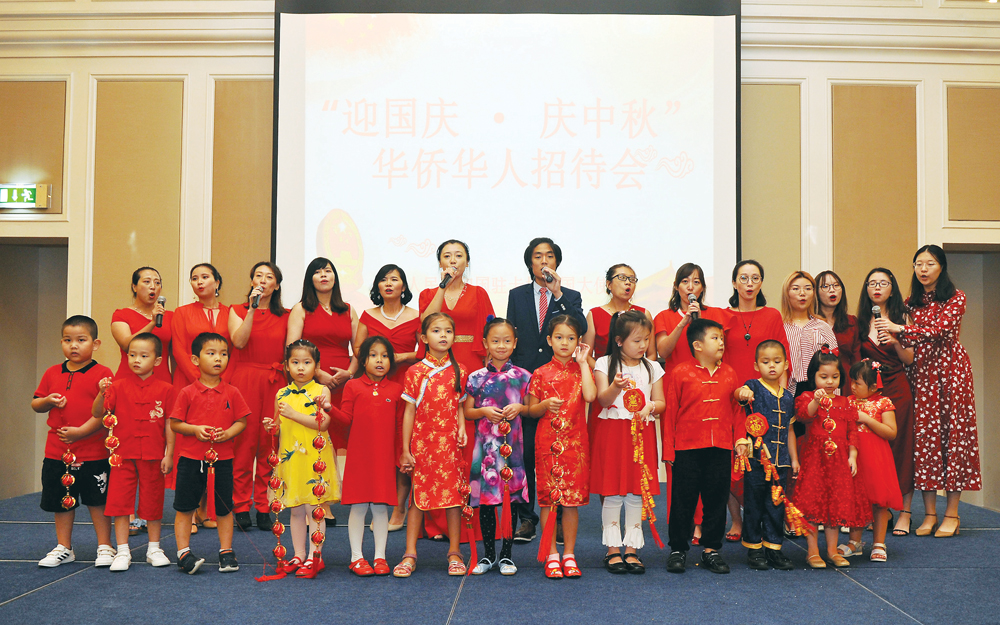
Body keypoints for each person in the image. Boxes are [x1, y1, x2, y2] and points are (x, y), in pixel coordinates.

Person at [876, 245, 981, 538]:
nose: (923, 269)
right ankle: (930, 514)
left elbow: (939, 330)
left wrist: (899, 329)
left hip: (951, 372)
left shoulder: (956, 297)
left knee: (953, 437)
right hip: (920, 372)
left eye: (930, 264)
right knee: (925, 439)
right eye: (918, 264)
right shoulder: (909, 302)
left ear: (941, 267)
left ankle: (952, 513)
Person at [506, 237, 587, 543]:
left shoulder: (571, 295)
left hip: (562, 383)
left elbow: (580, 327)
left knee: (561, 456)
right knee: (525, 452)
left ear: (556, 263)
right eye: (537, 256)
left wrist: (558, 294)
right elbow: (511, 334)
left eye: (549, 256)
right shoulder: (517, 295)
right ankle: (528, 517)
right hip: (528, 383)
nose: (543, 261)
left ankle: (563, 516)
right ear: (530, 263)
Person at [419, 240, 493, 541]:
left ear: (467, 262)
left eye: (458, 256)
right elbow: (426, 322)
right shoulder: (428, 293)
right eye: (447, 256)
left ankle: (469, 520)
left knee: (469, 443)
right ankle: (437, 522)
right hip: (438, 366)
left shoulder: (479, 293)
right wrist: (442, 286)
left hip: (470, 366)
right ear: (439, 263)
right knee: (440, 443)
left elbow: (490, 334)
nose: (453, 260)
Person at [32, 316, 115, 568]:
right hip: (57, 451)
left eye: (81, 340)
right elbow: (36, 404)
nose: (74, 346)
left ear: (95, 343)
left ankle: (105, 546)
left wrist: (79, 432)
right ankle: (64, 547)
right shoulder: (51, 372)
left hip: (93, 452)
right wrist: (48, 401)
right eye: (68, 340)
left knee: (97, 500)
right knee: (61, 501)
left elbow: (103, 414)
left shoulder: (103, 374)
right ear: (61, 343)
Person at [663, 318, 743, 575]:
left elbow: (736, 412)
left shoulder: (730, 373)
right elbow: (671, 413)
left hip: (720, 447)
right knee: (682, 501)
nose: (721, 342)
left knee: (716, 500)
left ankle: (711, 549)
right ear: (697, 345)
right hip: (687, 448)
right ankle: (678, 548)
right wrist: (668, 451)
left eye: (722, 338)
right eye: (715, 338)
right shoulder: (680, 373)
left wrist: (739, 439)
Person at [393, 313, 470, 577]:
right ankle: (410, 553)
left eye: (448, 331)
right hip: (423, 444)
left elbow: (459, 406)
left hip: (449, 443)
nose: (443, 336)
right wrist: (405, 448)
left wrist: (461, 428)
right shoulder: (415, 372)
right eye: (437, 331)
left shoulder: (459, 370)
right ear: (425, 338)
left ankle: (454, 552)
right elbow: (409, 412)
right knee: (418, 498)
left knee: (453, 498)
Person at [92, 334, 176, 571]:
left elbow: (170, 423)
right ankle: (122, 550)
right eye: (132, 355)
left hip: (153, 454)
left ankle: (154, 547)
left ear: (158, 361)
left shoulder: (167, 389)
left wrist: (169, 454)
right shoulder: (117, 386)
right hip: (122, 455)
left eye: (144, 355)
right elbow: (98, 413)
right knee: (120, 502)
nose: (136, 360)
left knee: (153, 500)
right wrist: (101, 393)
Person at [169, 332, 250, 574]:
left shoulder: (232, 392)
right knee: (185, 507)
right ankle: (183, 552)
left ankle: (226, 551)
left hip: (223, 460)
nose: (218, 359)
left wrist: (229, 433)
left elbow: (242, 421)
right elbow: (175, 423)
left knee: (225, 508)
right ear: (195, 360)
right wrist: (194, 429)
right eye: (211, 353)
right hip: (191, 460)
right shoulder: (187, 392)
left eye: (223, 354)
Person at [592, 311, 664, 575]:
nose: (643, 345)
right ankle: (612, 550)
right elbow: (602, 399)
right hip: (613, 432)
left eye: (646, 339)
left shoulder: (652, 367)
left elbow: (661, 403)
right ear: (620, 340)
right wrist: (615, 386)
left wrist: (651, 407)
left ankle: (632, 550)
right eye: (637, 340)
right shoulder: (604, 363)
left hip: (641, 433)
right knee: (612, 492)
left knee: (636, 492)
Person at [723, 260, 790, 542]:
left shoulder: (772, 315)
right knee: (732, 460)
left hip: (764, 398)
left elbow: (782, 357)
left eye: (755, 278)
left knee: (762, 461)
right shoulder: (723, 315)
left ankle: (767, 519)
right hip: (731, 395)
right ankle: (737, 520)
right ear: (734, 283)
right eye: (743, 278)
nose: (749, 284)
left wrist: (783, 400)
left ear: (761, 283)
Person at [526, 314, 595, 579]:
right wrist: (543, 407)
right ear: (549, 340)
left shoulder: (582, 370)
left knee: (571, 503)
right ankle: (551, 553)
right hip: (547, 443)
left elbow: (590, 396)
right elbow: (531, 410)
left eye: (570, 338)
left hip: (576, 445)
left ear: (578, 341)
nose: (564, 343)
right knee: (548, 501)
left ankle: (570, 554)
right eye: (559, 337)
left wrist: (584, 364)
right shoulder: (540, 373)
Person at [353, 264, 421, 530]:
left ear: (403, 286)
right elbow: (359, 349)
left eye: (395, 279)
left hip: (406, 383)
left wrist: (402, 357)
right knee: (379, 444)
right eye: (383, 279)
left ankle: (400, 508)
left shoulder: (416, 316)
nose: (389, 283)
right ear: (377, 287)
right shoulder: (368, 316)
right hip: (376, 384)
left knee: (402, 445)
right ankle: (380, 504)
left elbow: (425, 351)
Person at [263, 339, 338, 579]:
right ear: (286, 365)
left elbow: (324, 423)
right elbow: (278, 427)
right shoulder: (281, 393)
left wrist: (294, 414)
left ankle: (316, 555)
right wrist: (270, 427)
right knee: (294, 509)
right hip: (291, 458)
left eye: (307, 362)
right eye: (295, 362)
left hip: (314, 458)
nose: (301, 367)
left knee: (314, 507)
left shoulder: (321, 391)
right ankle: (298, 553)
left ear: (316, 367)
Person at [331, 336, 404, 577]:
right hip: (359, 457)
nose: (379, 360)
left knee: (381, 509)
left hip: (383, 459)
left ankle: (380, 557)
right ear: (363, 360)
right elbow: (346, 419)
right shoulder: (352, 386)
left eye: (384, 356)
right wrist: (329, 409)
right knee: (359, 507)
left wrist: (402, 454)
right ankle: (356, 557)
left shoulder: (396, 390)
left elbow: (399, 426)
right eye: (373, 355)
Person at [792, 347, 871, 568]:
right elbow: (804, 416)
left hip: (839, 461)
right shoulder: (807, 397)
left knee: (833, 506)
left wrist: (853, 456)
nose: (829, 382)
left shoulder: (845, 402)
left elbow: (852, 431)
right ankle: (812, 551)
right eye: (823, 377)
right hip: (815, 460)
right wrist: (816, 400)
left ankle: (831, 550)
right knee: (812, 504)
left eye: (834, 377)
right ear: (813, 377)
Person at [464, 318, 531, 576]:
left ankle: (507, 556)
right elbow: (468, 412)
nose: (501, 346)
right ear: (485, 344)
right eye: (495, 341)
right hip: (486, 453)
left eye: (506, 341)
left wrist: (521, 408)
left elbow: (532, 408)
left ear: (514, 343)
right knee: (488, 503)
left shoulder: (524, 376)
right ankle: (489, 554)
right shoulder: (476, 378)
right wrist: (482, 410)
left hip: (513, 453)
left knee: (511, 503)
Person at [169, 263, 231, 532]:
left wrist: (220, 380)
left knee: (214, 439)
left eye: (205, 277)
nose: (199, 282)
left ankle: (207, 508)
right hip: (190, 383)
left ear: (217, 281)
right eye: (194, 278)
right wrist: (201, 378)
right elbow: (180, 350)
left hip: (222, 384)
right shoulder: (182, 313)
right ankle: (190, 509)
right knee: (190, 444)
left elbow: (234, 350)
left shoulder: (232, 313)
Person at [228, 261, 289, 531]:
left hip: (275, 381)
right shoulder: (237, 310)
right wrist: (252, 310)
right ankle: (241, 505)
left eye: (269, 277)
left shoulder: (287, 315)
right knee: (244, 444)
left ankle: (264, 505)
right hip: (245, 380)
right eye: (258, 276)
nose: (263, 280)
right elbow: (239, 341)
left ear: (276, 284)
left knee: (269, 444)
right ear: (251, 281)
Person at [855, 268, 916, 536]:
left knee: (900, 446)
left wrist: (895, 340)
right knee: (872, 451)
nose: (877, 287)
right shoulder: (860, 320)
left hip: (897, 389)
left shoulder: (903, 317)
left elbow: (909, 359)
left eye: (883, 283)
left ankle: (905, 511)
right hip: (869, 392)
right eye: (872, 283)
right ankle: (878, 510)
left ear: (892, 288)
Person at [732, 340, 796, 571]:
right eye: (765, 362)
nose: (772, 366)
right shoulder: (753, 387)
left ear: (786, 364)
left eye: (777, 362)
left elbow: (789, 430)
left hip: (780, 463)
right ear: (756, 364)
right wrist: (743, 392)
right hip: (756, 461)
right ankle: (754, 548)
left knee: (776, 506)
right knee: (754, 505)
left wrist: (793, 459)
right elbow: (738, 395)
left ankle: (774, 548)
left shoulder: (788, 398)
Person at [844, 359, 902, 562]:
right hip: (855, 456)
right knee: (855, 500)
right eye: (852, 381)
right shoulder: (848, 401)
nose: (852, 386)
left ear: (873, 386)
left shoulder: (883, 403)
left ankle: (879, 543)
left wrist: (867, 419)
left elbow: (891, 432)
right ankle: (855, 541)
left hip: (876, 458)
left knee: (879, 501)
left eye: (857, 383)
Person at [285, 257, 357, 414]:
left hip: (345, 384)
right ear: (310, 280)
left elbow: (359, 350)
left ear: (335, 279)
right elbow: (291, 349)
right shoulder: (300, 309)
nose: (323, 275)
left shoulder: (349, 310)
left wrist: (349, 374)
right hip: (310, 382)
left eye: (328, 271)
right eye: (317, 272)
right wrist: (316, 373)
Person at [110, 267, 172, 383]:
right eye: (147, 282)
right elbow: (126, 345)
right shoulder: (121, 315)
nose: (153, 286)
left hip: (162, 381)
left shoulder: (170, 316)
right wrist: (153, 323)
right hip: (128, 380)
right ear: (134, 287)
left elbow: (174, 354)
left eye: (157, 283)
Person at [781, 271, 838, 395]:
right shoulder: (780, 326)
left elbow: (834, 364)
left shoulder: (823, 326)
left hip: (819, 392)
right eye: (796, 289)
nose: (802, 293)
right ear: (787, 293)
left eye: (808, 288)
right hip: (787, 390)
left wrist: (834, 398)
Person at [815, 270, 860, 395]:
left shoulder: (851, 321)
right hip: (819, 384)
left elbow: (857, 358)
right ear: (815, 292)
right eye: (825, 286)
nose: (832, 290)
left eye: (836, 285)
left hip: (846, 382)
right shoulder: (810, 323)